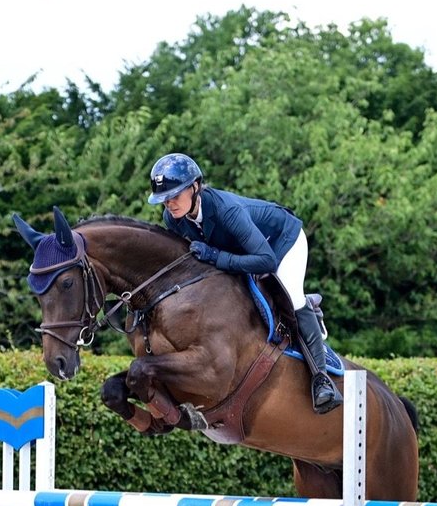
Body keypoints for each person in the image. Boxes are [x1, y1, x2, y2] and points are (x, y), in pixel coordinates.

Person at [146, 152, 343, 415]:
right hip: (244, 251)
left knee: (291, 296)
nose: (169, 204)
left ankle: (321, 380)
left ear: (195, 187)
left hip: (281, 244)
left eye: (175, 195)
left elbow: (266, 261)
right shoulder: (173, 218)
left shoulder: (226, 211)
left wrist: (216, 256)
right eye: (164, 199)